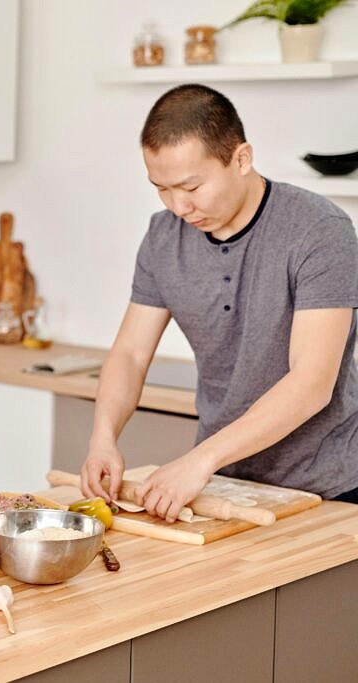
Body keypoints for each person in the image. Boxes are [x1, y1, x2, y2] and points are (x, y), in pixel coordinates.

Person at [80, 84, 358, 521]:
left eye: (191, 186)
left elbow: (312, 383)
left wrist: (199, 460)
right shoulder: (162, 237)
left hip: (328, 488)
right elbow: (131, 354)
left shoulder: (320, 231)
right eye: (161, 189)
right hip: (225, 482)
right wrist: (102, 438)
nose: (179, 205)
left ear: (241, 159)